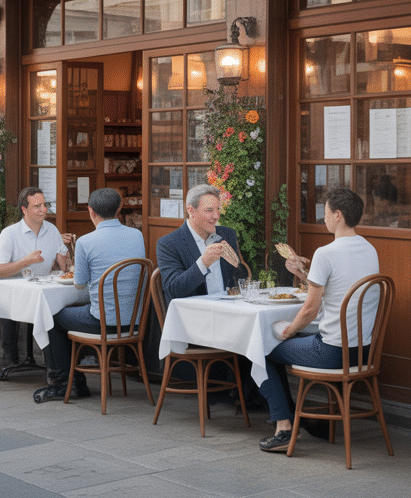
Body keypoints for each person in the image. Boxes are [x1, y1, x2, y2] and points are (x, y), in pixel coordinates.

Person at [258, 185, 380, 453]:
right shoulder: (370, 249)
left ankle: (284, 427)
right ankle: (303, 418)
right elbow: (338, 288)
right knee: (298, 338)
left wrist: (289, 330)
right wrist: (305, 274)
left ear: (337, 215)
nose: (323, 218)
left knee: (263, 349)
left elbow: (310, 310)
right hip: (363, 352)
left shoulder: (327, 252)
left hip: (332, 352)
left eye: (325, 213)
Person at [34, 188, 145, 403]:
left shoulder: (86, 241)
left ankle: (66, 383)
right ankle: (77, 376)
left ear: (90, 211)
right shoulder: (137, 235)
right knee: (73, 313)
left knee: (51, 318)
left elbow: (79, 284)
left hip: (102, 321)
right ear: (120, 209)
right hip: (134, 321)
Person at [0, 187, 71, 368]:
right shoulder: (9, 234)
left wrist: (64, 260)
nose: (44, 210)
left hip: (43, 289)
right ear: (24, 210)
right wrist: (25, 261)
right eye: (37, 206)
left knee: (62, 304)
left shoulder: (52, 231)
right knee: (9, 303)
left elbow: (64, 267)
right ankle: (10, 355)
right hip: (15, 291)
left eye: (45, 205)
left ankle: (56, 363)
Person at [155, 183, 242, 308]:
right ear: (191, 211)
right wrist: (203, 262)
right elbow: (174, 290)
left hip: (229, 308)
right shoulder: (168, 243)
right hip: (194, 313)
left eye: (218, 209)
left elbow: (238, 278)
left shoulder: (227, 234)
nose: (216, 216)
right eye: (209, 210)